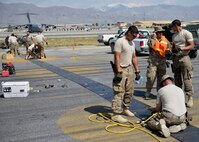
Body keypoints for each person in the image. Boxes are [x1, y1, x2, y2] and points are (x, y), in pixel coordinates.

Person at [111, 25, 140, 123]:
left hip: (129, 68)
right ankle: (116, 114)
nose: (134, 37)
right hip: (121, 69)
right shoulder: (120, 42)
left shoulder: (132, 43)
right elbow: (117, 57)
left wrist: (137, 71)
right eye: (133, 35)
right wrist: (118, 71)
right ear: (128, 32)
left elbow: (134, 57)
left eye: (135, 36)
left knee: (129, 91)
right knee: (119, 91)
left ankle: (125, 108)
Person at [171, 19, 194, 107]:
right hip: (176, 58)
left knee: (187, 78)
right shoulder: (174, 35)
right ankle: (179, 97)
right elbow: (173, 46)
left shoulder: (186, 33)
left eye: (173, 26)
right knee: (177, 78)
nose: (172, 28)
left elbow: (192, 46)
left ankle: (190, 98)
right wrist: (171, 51)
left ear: (176, 25)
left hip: (185, 58)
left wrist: (181, 49)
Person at [145, 26, 171, 99]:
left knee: (161, 78)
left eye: (161, 32)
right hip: (153, 62)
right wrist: (153, 37)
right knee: (151, 77)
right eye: (159, 32)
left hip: (162, 62)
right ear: (156, 33)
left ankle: (159, 93)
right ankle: (148, 92)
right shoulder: (152, 39)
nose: (160, 33)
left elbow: (169, 46)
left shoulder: (165, 39)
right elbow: (150, 44)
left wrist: (168, 50)